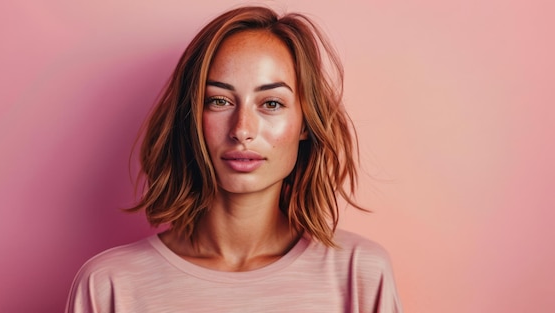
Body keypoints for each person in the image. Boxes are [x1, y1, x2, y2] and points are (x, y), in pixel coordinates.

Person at [66, 6, 402, 313]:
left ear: (305, 124)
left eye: (271, 103)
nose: (242, 130)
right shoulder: (111, 285)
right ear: (191, 118)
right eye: (219, 101)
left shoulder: (360, 274)